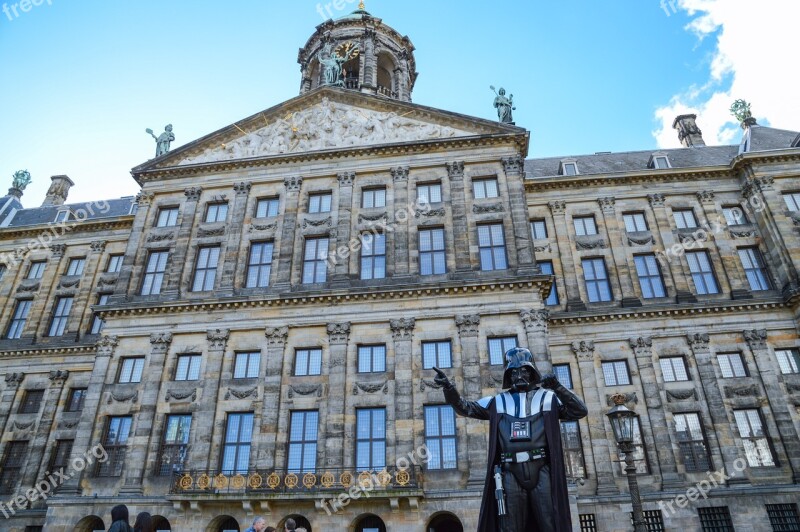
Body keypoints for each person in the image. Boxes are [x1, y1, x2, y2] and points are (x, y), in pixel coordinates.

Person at [433, 347, 588, 532]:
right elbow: (464, 407)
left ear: (531, 372)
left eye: (523, 370)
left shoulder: (548, 398)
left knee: (550, 523)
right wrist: (449, 388)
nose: (519, 375)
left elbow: (580, 410)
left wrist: (558, 387)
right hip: (510, 472)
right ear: (508, 374)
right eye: (514, 371)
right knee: (509, 526)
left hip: (541, 467)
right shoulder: (497, 401)